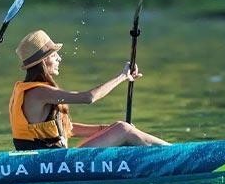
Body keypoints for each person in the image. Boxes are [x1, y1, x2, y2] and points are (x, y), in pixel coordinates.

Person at [9, 30, 168, 150]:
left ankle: (170, 151)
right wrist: (122, 76)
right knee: (123, 129)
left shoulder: (34, 90)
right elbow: (88, 98)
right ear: (43, 62)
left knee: (121, 128)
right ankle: (175, 153)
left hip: (56, 159)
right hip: (51, 162)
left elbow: (68, 128)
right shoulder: (38, 92)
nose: (59, 58)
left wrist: (107, 130)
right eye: (54, 55)